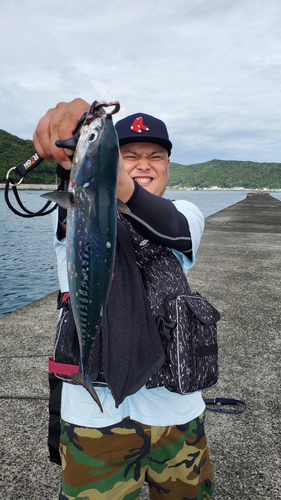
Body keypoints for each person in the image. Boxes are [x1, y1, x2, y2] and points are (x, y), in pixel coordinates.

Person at [33, 98, 215, 500]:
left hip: (178, 417)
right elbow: (74, 191)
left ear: (169, 165)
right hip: (94, 422)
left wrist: (118, 181)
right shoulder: (75, 211)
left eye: (156, 156)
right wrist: (76, 146)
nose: (144, 163)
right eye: (128, 155)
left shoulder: (184, 213)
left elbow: (175, 231)